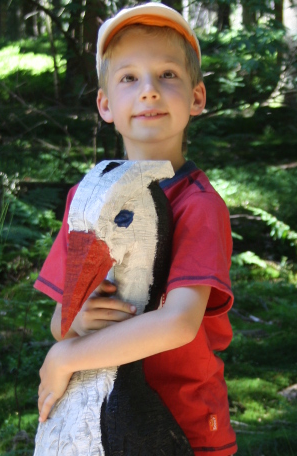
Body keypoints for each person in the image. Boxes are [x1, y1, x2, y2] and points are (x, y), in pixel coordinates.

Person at [33, 3, 237, 455]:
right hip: (98, 421)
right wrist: (77, 322)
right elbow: (61, 320)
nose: (148, 91)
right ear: (105, 104)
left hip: (182, 426)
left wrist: (66, 355)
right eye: (128, 78)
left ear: (197, 97)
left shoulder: (199, 206)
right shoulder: (87, 197)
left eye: (167, 75)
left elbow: (179, 323)